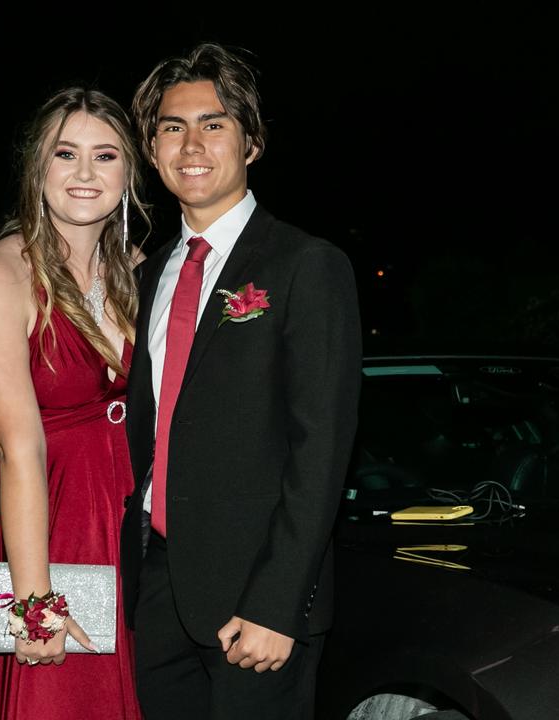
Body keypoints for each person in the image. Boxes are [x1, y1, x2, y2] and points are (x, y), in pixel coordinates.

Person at [120, 42, 362, 720]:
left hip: (256, 604)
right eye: (172, 127)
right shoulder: (148, 275)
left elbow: (321, 451)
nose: (191, 143)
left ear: (251, 143)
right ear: (153, 147)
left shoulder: (304, 265)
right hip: (156, 591)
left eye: (215, 123)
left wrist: (277, 605)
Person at [0, 86, 147, 719]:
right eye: (66, 154)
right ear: (38, 168)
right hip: (56, 520)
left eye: (106, 155)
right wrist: (35, 602)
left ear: (130, 171)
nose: (86, 173)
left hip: (143, 526)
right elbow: (18, 447)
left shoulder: (147, 271)